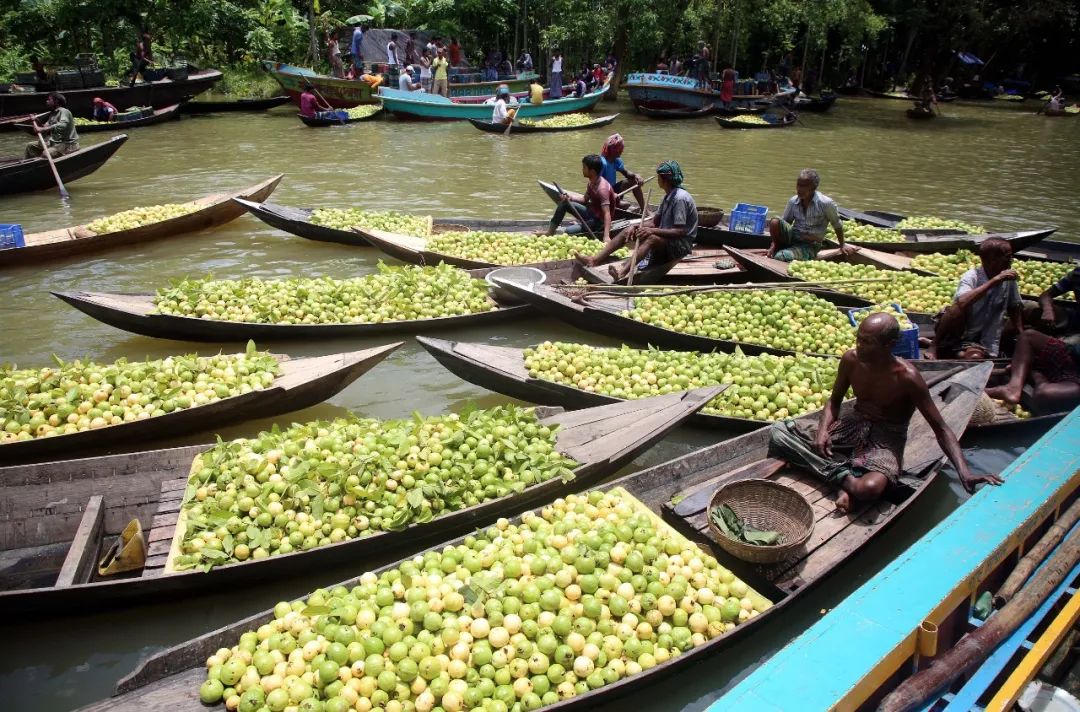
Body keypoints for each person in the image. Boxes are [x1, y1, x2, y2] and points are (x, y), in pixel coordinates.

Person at [770, 313, 1002, 513]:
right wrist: (822, 431)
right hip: (852, 425)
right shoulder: (851, 360)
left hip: (886, 439)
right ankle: (841, 479)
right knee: (779, 432)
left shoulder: (908, 377)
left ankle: (841, 479)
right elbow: (834, 401)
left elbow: (941, 428)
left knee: (869, 489)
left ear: (889, 344)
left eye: (867, 342)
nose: (859, 345)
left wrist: (965, 473)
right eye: (859, 338)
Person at [577, 160, 698, 282]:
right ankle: (594, 260)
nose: (658, 180)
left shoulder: (680, 198)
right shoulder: (667, 196)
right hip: (667, 239)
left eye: (659, 177)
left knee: (652, 238)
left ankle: (622, 271)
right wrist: (635, 226)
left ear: (663, 179)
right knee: (628, 231)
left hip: (680, 245)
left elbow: (680, 231)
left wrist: (651, 230)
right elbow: (655, 222)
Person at [929, 238, 1023, 360]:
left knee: (1029, 312)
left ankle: (954, 351)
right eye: (1008, 257)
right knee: (954, 310)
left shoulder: (1008, 279)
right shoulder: (971, 277)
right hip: (964, 333)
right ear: (992, 260)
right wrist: (994, 281)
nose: (1011, 260)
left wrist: (1021, 335)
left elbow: (1014, 306)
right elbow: (961, 303)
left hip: (988, 333)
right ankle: (935, 345)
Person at [767, 168, 849, 262]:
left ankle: (790, 253)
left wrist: (842, 245)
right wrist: (773, 245)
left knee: (781, 257)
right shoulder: (793, 201)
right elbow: (784, 225)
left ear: (813, 187)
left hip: (810, 244)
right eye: (798, 185)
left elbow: (837, 224)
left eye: (804, 186)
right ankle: (778, 248)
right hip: (794, 237)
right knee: (774, 222)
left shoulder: (826, 203)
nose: (799, 189)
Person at [540, 154, 616, 244]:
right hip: (591, 213)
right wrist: (570, 197)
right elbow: (584, 199)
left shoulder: (602, 189)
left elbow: (607, 213)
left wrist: (606, 236)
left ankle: (587, 225)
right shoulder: (592, 182)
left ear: (592, 171)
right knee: (564, 202)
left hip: (599, 221)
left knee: (568, 231)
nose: (582, 170)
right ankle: (550, 232)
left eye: (584, 167)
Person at [598, 133, 646, 212]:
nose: (622, 151)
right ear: (614, 149)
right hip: (604, 194)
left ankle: (644, 209)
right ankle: (615, 204)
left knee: (633, 181)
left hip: (613, 191)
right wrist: (610, 195)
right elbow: (596, 184)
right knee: (625, 205)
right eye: (620, 149)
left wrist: (636, 176)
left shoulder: (616, 160)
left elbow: (627, 174)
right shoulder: (602, 163)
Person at [25, 92, 79, 159]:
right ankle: (29, 165)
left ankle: (42, 165)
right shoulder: (52, 115)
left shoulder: (64, 111)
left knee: (46, 153)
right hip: (55, 143)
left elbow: (62, 125)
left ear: (56, 101)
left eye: (49, 100)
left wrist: (43, 129)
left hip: (67, 144)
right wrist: (34, 121)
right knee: (30, 146)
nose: (47, 101)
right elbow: (43, 128)